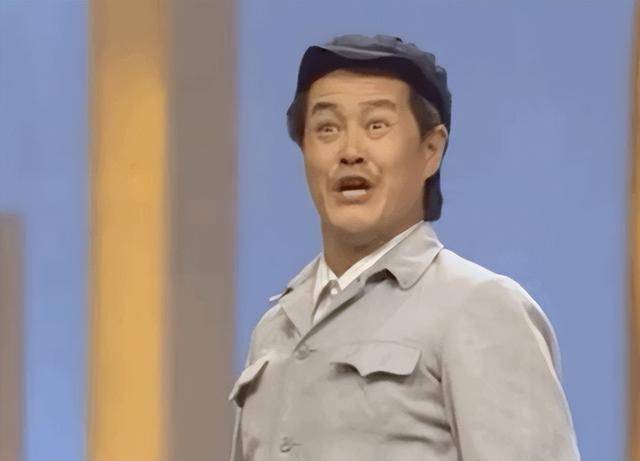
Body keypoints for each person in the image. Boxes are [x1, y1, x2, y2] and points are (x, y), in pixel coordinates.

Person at [228, 33, 581, 461]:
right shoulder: (273, 330)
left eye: (377, 125)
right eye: (327, 129)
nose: (350, 151)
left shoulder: (479, 306)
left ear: (431, 150)